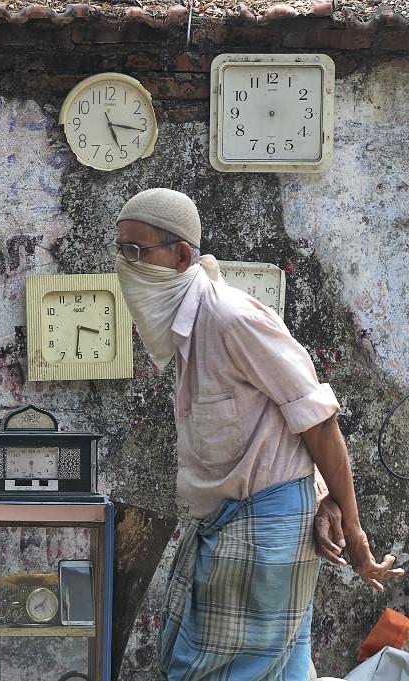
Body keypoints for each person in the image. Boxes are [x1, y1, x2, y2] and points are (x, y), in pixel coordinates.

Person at [108, 188, 402, 680]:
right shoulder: (189, 327)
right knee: (283, 666)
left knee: (214, 669)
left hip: (262, 524)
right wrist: (321, 497)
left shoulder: (231, 317)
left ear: (182, 254)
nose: (127, 264)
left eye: (138, 251)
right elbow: (271, 427)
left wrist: (351, 526)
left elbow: (317, 418)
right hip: (231, 518)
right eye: (121, 250)